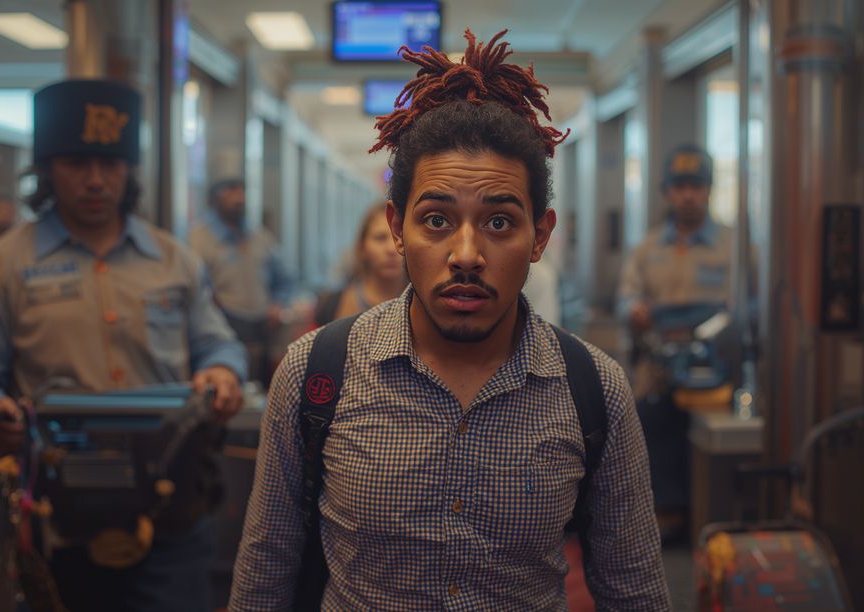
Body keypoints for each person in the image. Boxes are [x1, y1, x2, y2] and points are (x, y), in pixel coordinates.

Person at [231, 29, 669, 610]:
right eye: (436, 220)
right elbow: (264, 576)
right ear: (395, 227)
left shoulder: (595, 391)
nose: (466, 254)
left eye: (499, 223)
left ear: (540, 235)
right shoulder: (318, 374)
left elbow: (634, 589)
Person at [0, 78, 246, 612]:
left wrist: (222, 372)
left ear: (129, 171)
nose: (96, 180)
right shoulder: (3, 265)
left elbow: (218, 344)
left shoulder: (173, 260)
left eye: (110, 164)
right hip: (57, 517)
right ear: (48, 170)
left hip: (172, 504)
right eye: (78, 163)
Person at [616, 144, 733, 539]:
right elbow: (626, 297)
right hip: (659, 368)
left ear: (709, 190)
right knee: (651, 427)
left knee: (710, 435)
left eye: (696, 186)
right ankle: (665, 512)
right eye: (679, 186)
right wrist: (634, 309)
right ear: (666, 191)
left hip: (715, 368)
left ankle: (711, 512)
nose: (688, 194)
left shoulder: (733, 246)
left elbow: (750, 306)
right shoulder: (647, 249)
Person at [189, 178, 295, 383]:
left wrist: (279, 303)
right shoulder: (198, 240)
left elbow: (285, 278)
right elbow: (196, 286)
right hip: (222, 326)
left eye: (241, 191)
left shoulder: (260, 237)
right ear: (215, 198)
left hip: (262, 328)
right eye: (230, 191)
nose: (238, 198)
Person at [313, 203, 406, 325]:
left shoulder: (425, 306)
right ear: (362, 247)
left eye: (400, 237)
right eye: (380, 238)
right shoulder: (332, 305)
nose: (391, 249)